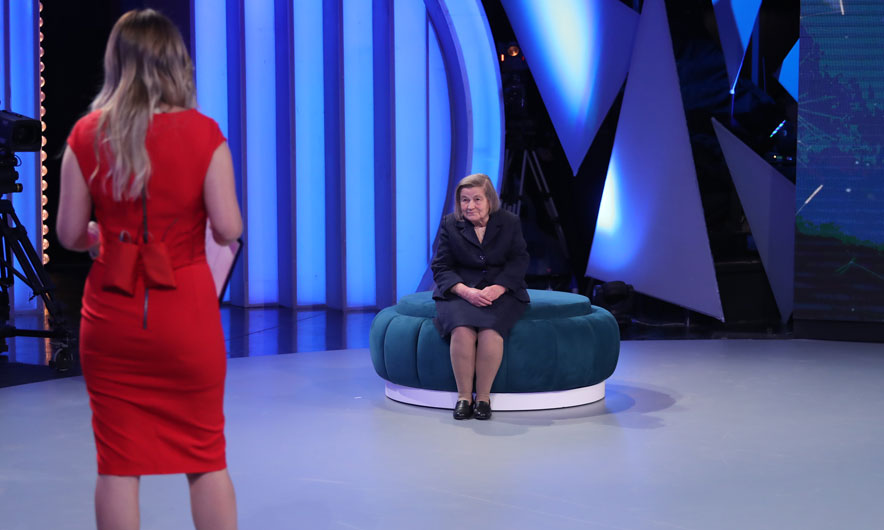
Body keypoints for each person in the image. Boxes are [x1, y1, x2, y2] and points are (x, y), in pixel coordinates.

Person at [57, 9, 242, 529]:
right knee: (205, 455)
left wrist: (100, 237)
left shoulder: (85, 134)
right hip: (186, 318)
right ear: (176, 63)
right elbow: (228, 228)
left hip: (111, 320)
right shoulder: (205, 134)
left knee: (118, 463)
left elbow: (69, 235)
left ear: (116, 62)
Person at [431, 174, 530, 420]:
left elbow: (519, 260)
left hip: (500, 291)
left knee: (490, 331)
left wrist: (499, 287)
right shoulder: (450, 223)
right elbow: (441, 266)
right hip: (461, 291)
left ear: (489, 200)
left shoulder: (509, 222)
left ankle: (483, 399)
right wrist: (465, 291)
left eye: (477, 199)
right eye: (464, 200)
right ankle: (464, 398)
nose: (470, 206)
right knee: (462, 330)